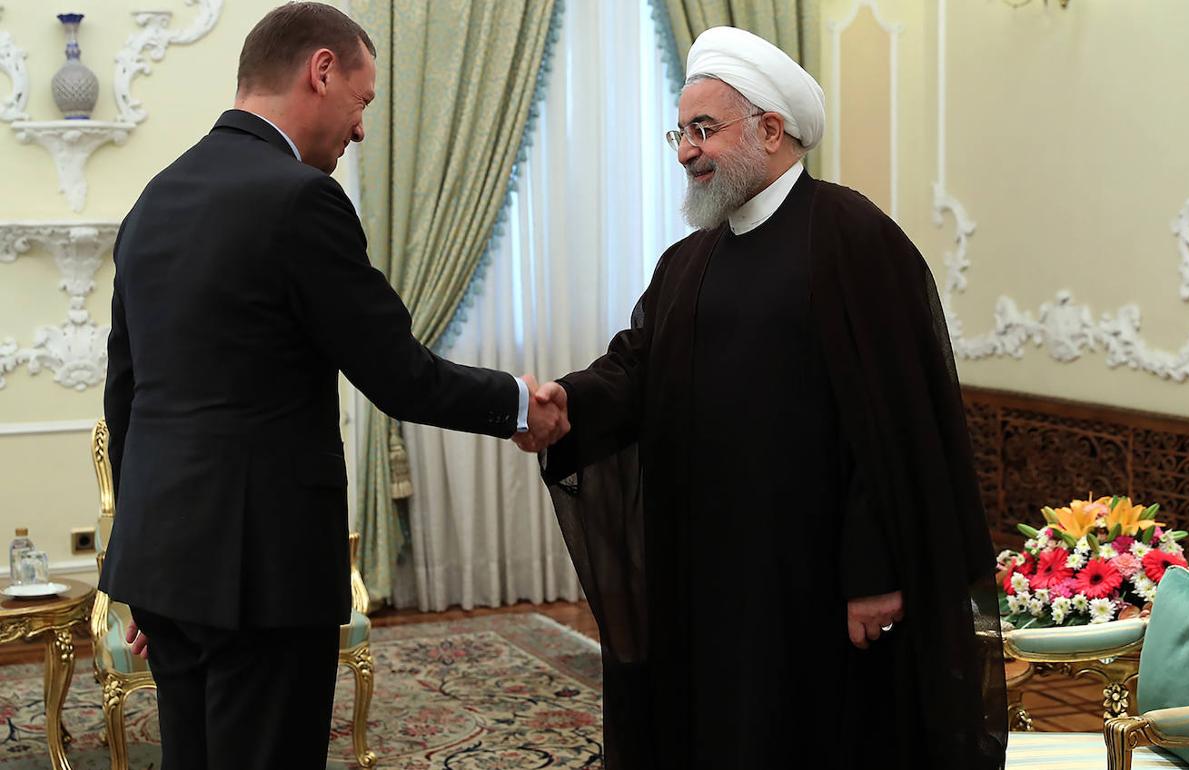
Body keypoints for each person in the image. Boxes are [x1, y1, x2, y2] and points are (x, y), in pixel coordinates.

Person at [515, 26, 1006, 770]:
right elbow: (635, 370)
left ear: (771, 131)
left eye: (704, 130)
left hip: (815, 580)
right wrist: (565, 403)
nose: (685, 151)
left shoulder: (854, 240)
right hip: (704, 569)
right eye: (680, 132)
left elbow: (895, 425)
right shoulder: (689, 259)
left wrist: (876, 575)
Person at [101, 4, 568, 768]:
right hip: (264, 574)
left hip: (167, 569)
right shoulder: (298, 199)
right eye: (364, 100)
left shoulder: (153, 200)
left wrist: (151, 568)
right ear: (321, 71)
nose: (359, 129)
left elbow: (128, 393)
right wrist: (518, 402)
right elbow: (399, 375)